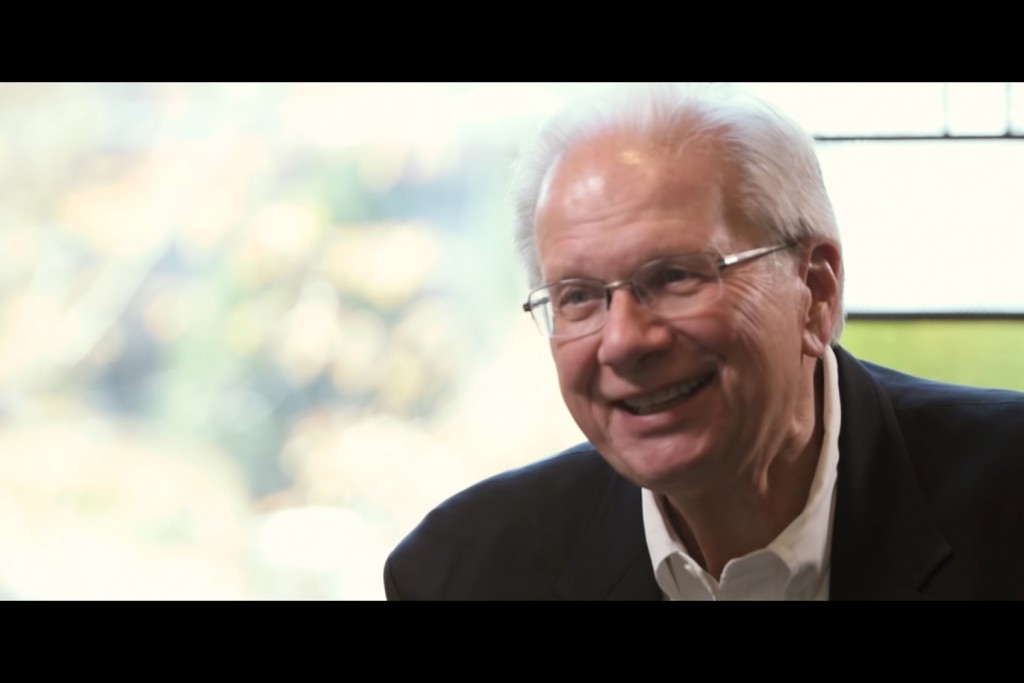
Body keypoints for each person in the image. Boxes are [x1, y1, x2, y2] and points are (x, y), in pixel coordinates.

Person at [383, 83, 1024, 600]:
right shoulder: (464, 574)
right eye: (579, 296)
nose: (625, 341)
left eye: (675, 277)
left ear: (816, 291)